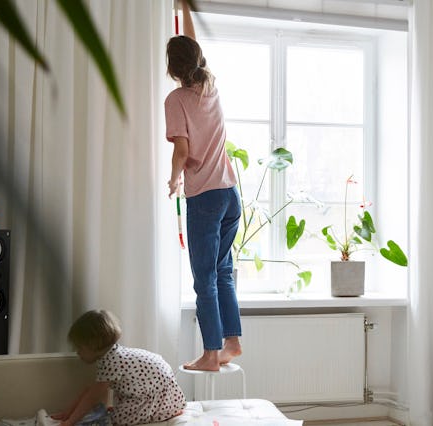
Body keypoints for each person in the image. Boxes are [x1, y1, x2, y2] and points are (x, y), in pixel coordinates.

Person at [165, 0, 242, 372]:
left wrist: (175, 177)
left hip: (206, 198)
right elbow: (195, 51)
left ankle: (211, 354)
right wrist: (186, 9)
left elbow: (182, 148)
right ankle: (231, 342)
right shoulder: (209, 86)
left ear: (170, 68)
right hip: (231, 195)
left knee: (205, 279)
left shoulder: (176, 99)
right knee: (223, 271)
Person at [52, 310, 186, 426]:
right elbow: (92, 392)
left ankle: (166, 411)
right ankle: (168, 409)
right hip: (162, 388)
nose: (78, 353)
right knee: (112, 409)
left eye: (80, 348)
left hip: (156, 396)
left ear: (93, 345)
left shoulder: (112, 362)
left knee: (118, 419)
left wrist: (70, 422)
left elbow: (92, 396)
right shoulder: (111, 356)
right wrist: (68, 414)